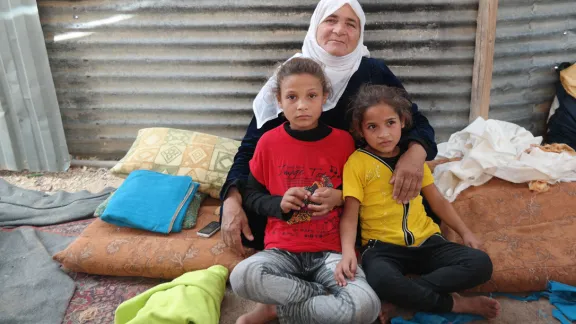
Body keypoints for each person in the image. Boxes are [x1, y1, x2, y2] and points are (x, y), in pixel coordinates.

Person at [220, 0, 438, 255]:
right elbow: (251, 146)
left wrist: (415, 155)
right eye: (331, 20)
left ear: (360, 32)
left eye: (350, 23)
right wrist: (232, 198)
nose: (339, 30)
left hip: (358, 187)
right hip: (297, 189)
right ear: (316, 24)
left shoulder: (372, 71)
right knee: (253, 219)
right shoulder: (292, 77)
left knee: (422, 212)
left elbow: (416, 122)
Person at [229, 57, 380, 324]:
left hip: (331, 252)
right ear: (278, 100)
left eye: (311, 96)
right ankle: (320, 295)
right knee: (242, 277)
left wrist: (339, 196)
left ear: (325, 97)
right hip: (281, 252)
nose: (302, 105)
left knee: (367, 307)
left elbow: (363, 193)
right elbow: (251, 196)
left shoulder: (344, 142)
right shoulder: (268, 142)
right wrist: (279, 204)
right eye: (292, 97)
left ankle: (278, 309)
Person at [335, 84, 501, 323]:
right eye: (373, 127)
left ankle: (403, 296)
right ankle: (456, 304)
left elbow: (438, 201)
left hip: (427, 242)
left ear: (403, 121)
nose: (384, 134)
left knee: (480, 264)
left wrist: (466, 233)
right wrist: (348, 252)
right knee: (381, 279)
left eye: (390, 123)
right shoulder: (357, 163)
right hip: (382, 249)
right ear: (361, 131)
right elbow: (350, 215)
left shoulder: (411, 160)